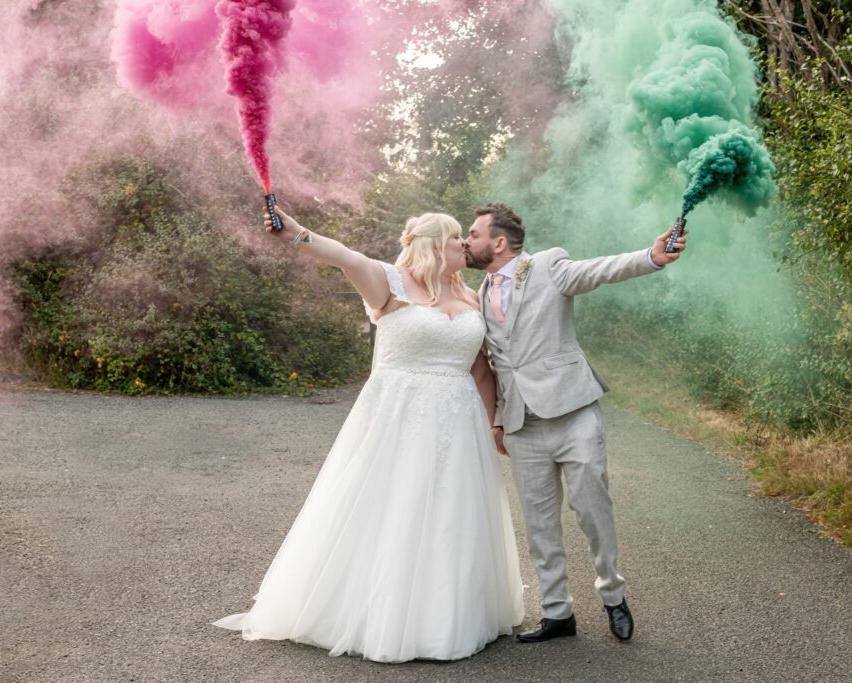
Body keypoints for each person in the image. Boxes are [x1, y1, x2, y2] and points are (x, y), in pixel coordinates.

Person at [213, 206, 525, 663]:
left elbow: (481, 370)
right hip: (397, 419)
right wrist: (296, 231)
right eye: (458, 236)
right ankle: (379, 615)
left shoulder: (471, 296)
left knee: (453, 513)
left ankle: (446, 616)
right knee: (394, 508)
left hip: (460, 425)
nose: (465, 244)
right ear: (435, 245)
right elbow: (344, 256)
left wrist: (495, 421)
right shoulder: (389, 282)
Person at [463, 203, 687, 644]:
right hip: (520, 424)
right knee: (539, 522)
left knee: (592, 508)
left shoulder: (547, 266)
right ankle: (557, 612)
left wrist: (650, 257)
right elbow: (492, 361)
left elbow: (597, 271)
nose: (466, 240)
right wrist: (496, 422)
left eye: (473, 233)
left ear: (499, 242)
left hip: (572, 412)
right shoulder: (478, 294)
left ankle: (613, 596)